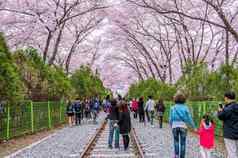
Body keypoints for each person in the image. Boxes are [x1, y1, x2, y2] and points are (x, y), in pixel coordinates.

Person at [169, 93, 196, 158]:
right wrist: (194, 127)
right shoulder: (185, 107)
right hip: (183, 126)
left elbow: (170, 118)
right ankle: (182, 156)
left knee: (176, 142)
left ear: (175, 99)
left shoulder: (172, 108)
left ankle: (176, 156)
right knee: (183, 143)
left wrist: (171, 125)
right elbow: (189, 118)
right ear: (183, 100)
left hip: (175, 126)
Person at [217, 91, 238, 158]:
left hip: (229, 134)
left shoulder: (227, 109)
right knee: (235, 152)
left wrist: (220, 110)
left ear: (226, 98)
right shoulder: (235, 106)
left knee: (232, 153)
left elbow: (220, 116)